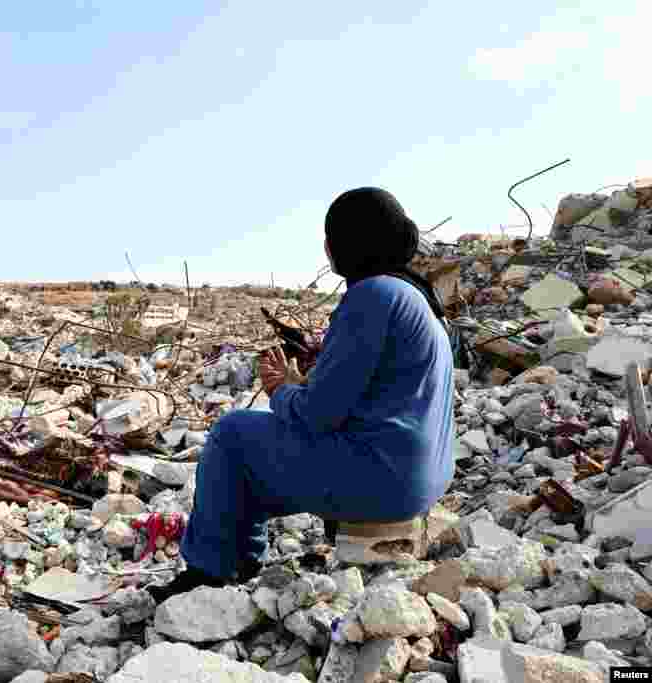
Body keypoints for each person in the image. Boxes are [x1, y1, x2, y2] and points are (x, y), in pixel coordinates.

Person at [148, 187, 455, 603]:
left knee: (233, 433)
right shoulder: (416, 297)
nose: (327, 249)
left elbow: (318, 416)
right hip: (421, 479)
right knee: (256, 452)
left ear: (343, 244)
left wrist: (282, 390)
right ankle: (241, 558)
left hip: (384, 481)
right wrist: (302, 385)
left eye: (330, 240)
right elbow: (371, 398)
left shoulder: (372, 295)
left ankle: (205, 574)